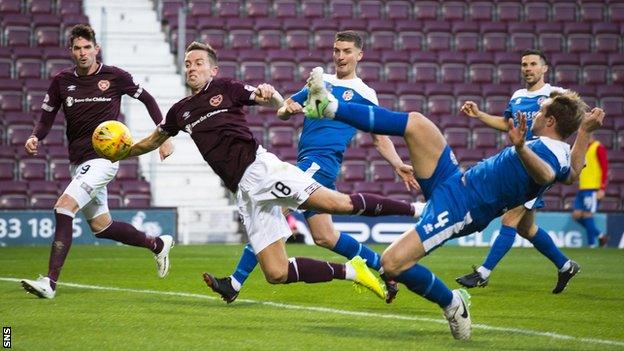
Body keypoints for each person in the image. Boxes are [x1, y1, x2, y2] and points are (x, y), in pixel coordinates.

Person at [303, 66, 603, 339]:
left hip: (465, 208)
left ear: (550, 121)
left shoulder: (547, 153)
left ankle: (452, 302)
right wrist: (585, 131)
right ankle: (329, 107)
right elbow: (572, 173)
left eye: (541, 112)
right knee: (418, 124)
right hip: (455, 180)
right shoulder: (561, 148)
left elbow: (546, 174)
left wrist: (521, 147)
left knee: (390, 264)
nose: (536, 113)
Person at [114, 41, 421, 301]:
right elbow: (155, 139)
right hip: (244, 192)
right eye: (187, 64)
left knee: (337, 204)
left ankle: (417, 210)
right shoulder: (179, 110)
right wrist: (125, 151)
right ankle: (355, 271)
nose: (191, 67)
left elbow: (272, 102)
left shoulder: (227, 88)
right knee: (277, 272)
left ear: (213, 69)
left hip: (261, 171)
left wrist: (270, 94)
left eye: (198, 63)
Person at [203, 31, 419, 304]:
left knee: (271, 207)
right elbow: (283, 110)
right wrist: (288, 108)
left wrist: (398, 163)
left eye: (347, 51)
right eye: (337, 50)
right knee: (325, 236)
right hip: (309, 163)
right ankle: (385, 269)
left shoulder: (366, 94)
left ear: (359, 55)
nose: (340, 56)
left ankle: (234, 282)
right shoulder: (319, 83)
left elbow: (379, 136)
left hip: (320, 164)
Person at [20, 24, 175, 299]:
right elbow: (46, 118)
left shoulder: (115, 77)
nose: (82, 53)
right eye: (77, 48)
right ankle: (157, 244)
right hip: (78, 162)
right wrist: (35, 137)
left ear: (96, 49)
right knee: (102, 227)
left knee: (64, 208)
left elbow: (149, 100)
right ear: (71, 51)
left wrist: (163, 136)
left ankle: (50, 283)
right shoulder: (61, 81)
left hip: (104, 159)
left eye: (87, 47)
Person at [456, 49, 567, 289]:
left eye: (533, 64)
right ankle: (566, 266)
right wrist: (479, 114)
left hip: (539, 166)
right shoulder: (517, 96)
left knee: (510, 218)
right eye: (524, 64)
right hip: (518, 164)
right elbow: (508, 125)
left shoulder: (555, 95)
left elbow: (576, 120)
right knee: (527, 229)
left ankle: (483, 273)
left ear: (544, 69)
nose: (527, 68)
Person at [572, 133, 609, 247]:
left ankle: (591, 244)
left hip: (593, 188)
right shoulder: (583, 149)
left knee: (588, 214)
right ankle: (600, 235)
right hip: (582, 187)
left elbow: (604, 168)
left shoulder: (598, 147)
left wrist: (602, 188)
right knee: (576, 215)